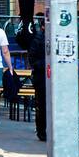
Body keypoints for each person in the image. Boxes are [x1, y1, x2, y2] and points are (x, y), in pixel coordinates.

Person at [29, 12, 47, 142]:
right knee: (42, 104)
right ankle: (42, 131)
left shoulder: (42, 38)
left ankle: (44, 130)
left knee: (43, 105)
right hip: (41, 77)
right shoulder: (38, 39)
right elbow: (33, 60)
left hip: (43, 76)